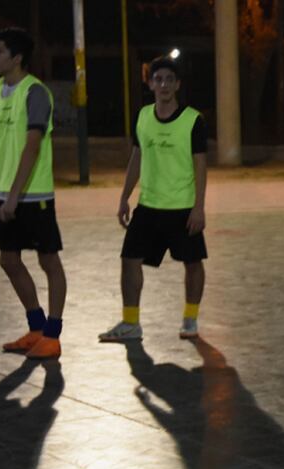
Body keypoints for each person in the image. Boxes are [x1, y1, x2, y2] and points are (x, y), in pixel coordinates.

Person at [99, 56, 208, 342]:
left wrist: (199, 207)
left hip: (182, 207)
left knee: (193, 263)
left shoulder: (193, 120)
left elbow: (200, 165)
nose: (164, 85)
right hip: (148, 206)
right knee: (129, 259)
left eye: (169, 80)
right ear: (150, 84)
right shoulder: (143, 116)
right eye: (158, 79)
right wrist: (124, 197)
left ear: (178, 85)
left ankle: (190, 319)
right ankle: (131, 323)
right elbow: (137, 157)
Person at [0, 27, 67, 359]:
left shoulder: (36, 93)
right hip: (7, 193)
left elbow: (32, 147)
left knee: (49, 261)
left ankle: (54, 334)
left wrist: (15, 194)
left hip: (35, 196)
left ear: (17, 58)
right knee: (9, 260)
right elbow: (4, 146)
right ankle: (36, 327)